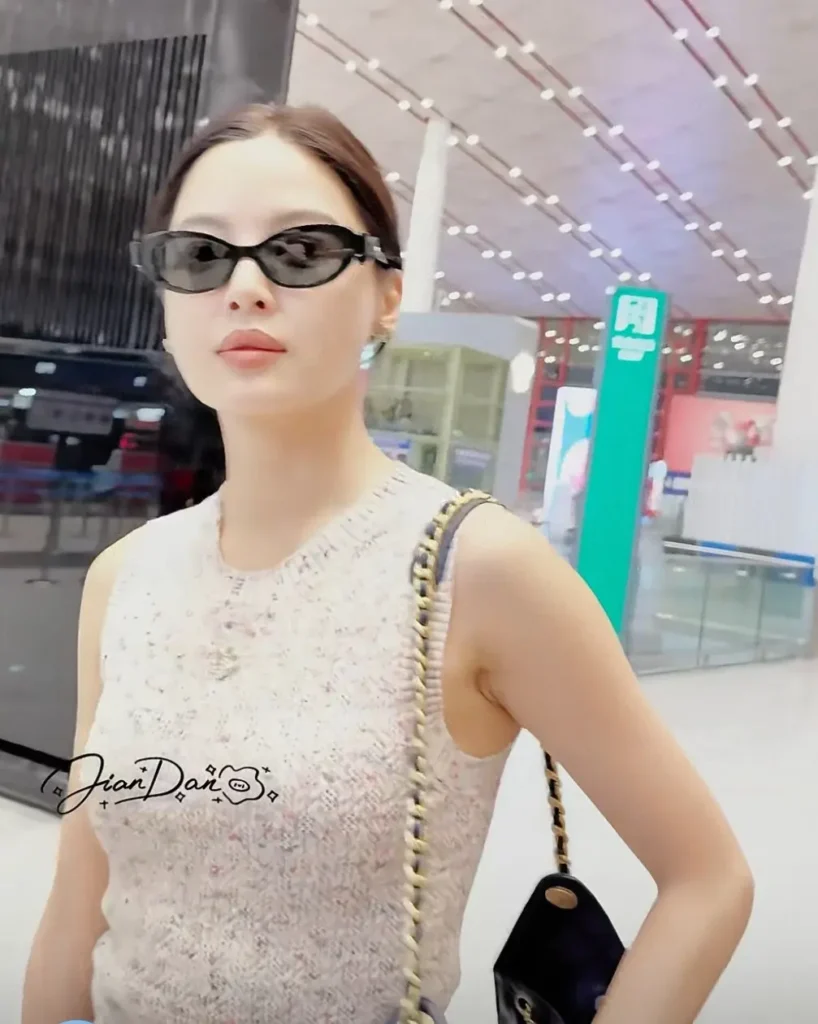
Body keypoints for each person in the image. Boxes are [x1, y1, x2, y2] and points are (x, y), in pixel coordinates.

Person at [22, 103, 753, 1024]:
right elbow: (78, 900)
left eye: (300, 251)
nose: (244, 288)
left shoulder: (474, 570)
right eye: (201, 255)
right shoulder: (126, 578)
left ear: (386, 295)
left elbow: (708, 880)